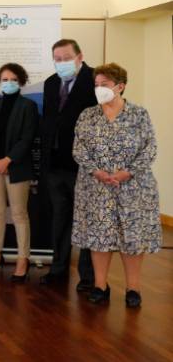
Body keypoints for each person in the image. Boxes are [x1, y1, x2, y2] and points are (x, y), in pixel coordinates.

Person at [72, 63, 162, 307]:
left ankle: (133, 288)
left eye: (105, 84)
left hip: (134, 187)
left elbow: (150, 148)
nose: (99, 89)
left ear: (120, 86)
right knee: (99, 237)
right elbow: (79, 149)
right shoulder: (87, 115)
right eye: (96, 84)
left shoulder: (139, 114)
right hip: (96, 187)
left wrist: (127, 173)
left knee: (131, 238)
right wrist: (97, 171)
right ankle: (100, 285)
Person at [39, 39, 95, 291]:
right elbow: (50, 120)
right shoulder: (51, 83)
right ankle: (58, 269)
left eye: (66, 58)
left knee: (85, 221)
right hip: (55, 164)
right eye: (57, 59)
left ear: (79, 57)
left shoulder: (94, 80)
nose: (61, 63)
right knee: (59, 218)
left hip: (82, 166)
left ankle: (88, 276)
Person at [0, 63, 39, 281]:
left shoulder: (28, 106)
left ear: (21, 81)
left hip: (17, 167)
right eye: (5, 79)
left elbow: (27, 137)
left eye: (13, 79)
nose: (9, 83)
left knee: (19, 214)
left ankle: (22, 260)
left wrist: (7, 160)